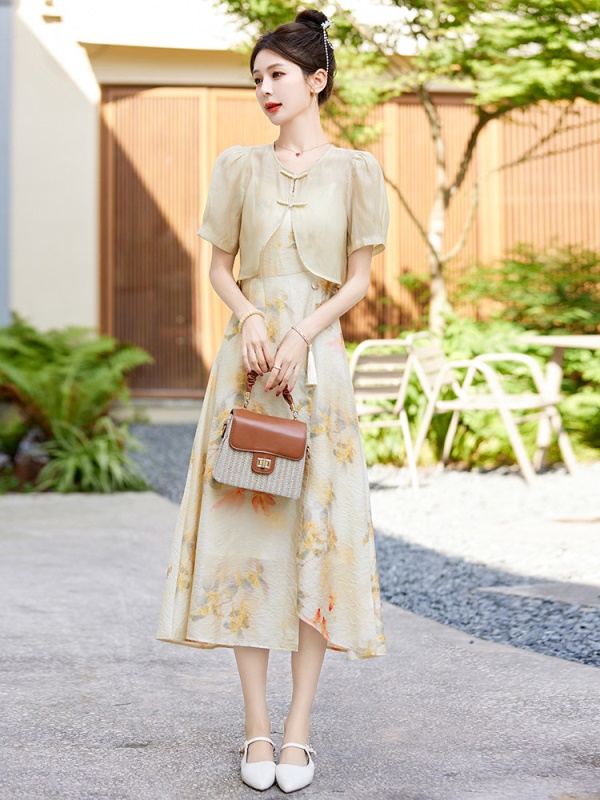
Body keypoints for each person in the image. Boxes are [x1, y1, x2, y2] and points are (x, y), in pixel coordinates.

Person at [156, 8, 389, 793]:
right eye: (256, 78)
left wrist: (301, 332)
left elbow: (356, 281)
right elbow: (220, 269)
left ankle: (298, 733)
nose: (264, 89)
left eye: (277, 74)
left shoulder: (357, 170)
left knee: (314, 541)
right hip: (248, 366)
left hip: (317, 369)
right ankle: (256, 727)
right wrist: (254, 318)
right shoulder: (237, 167)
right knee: (246, 542)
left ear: (316, 79)